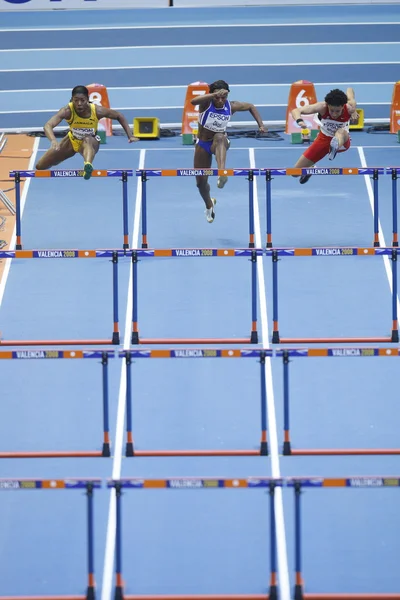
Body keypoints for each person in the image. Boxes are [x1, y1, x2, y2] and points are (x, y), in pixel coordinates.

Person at [190, 80, 266, 223]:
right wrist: (212, 94)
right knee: (201, 184)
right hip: (203, 143)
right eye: (217, 97)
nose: (220, 100)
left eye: (223, 97)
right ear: (212, 95)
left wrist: (261, 125)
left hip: (219, 143)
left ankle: (222, 173)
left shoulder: (231, 106)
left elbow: (250, 106)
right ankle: (209, 204)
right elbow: (193, 101)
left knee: (219, 136)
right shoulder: (206, 104)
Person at [35, 85, 139, 180]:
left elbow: (119, 115)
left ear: (88, 100)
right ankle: (59, 160)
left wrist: (130, 135)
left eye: (82, 100)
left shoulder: (97, 111)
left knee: (87, 139)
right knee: (40, 166)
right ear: (71, 100)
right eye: (76, 100)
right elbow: (48, 125)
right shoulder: (67, 110)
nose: (79, 104)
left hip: (91, 141)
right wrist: (53, 140)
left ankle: (88, 165)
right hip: (71, 141)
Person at [291, 87, 359, 184]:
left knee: (340, 132)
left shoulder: (350, 107)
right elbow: (296, 110)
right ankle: (311, 168)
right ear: (328, 105)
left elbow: (350, 89)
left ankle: (334, 146)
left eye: (338, 111)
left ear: (343, 106)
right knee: (295, 172)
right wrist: (299, 121)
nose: (334, 114)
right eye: (331, 110)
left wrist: (354, 110)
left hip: (342, 141)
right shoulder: (322, 107)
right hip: (323, 140)